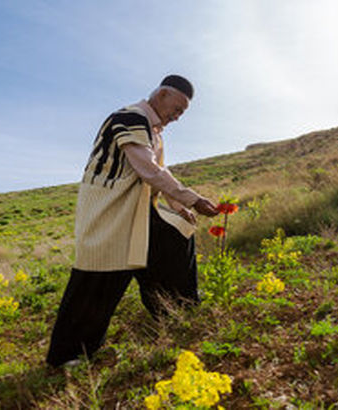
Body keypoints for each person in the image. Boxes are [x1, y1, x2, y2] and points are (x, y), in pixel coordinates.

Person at [46, 75, 219, 367]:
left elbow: (156, 174)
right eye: (176, 109)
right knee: (99, 277)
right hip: (111, 210)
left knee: (175, 239)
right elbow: (149, 170)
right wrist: (192, 200)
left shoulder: (152, 130)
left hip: (138, 210)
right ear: (162, 95)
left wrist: (178, 207)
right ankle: (67, 355)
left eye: (182, 113)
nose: (177, 117)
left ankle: (177, 309)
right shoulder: (130, 117)